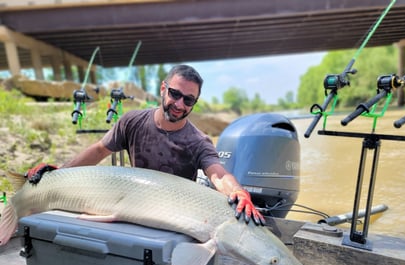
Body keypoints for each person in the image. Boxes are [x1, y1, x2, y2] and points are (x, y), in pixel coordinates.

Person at [28, 64, 265, 225]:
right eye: (174, 93)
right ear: (163, 89)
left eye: (188, 99)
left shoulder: (198, 141)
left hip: (175, 214)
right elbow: (99, 150)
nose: (179, 104)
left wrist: (237, 191)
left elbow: (218, 174)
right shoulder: (132, 121)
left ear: (194, 103)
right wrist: (59, 173)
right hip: (133, 204)